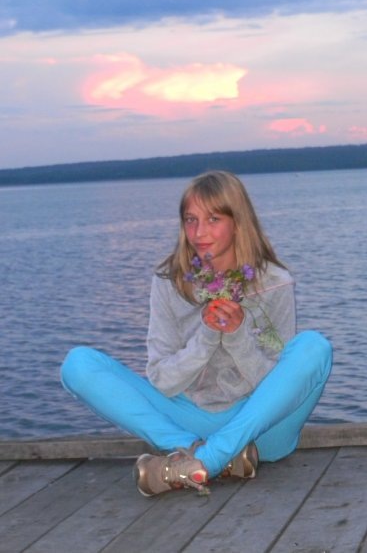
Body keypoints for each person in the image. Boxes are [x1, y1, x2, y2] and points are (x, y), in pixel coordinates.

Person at [61, 170, 332, 496]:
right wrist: (205, 337)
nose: (199, 232)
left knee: (314, 347)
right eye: (191, 220)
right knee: (77, 365)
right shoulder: (168, 281)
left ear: (238, 221)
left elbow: (278, 388)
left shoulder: (274, 282)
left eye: (213, 219)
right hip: (187, 420)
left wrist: (237, 336)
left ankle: (205, 460)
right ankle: (203, 454)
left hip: (261, 431)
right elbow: (162, 380)